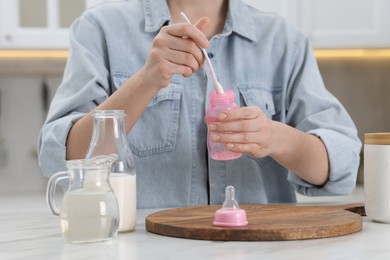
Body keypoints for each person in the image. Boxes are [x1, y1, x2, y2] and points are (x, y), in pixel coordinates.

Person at [38, 0, 362, 209]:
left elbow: (339, 168)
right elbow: (64, 162)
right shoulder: (100, 30)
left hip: (259, 248)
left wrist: (275, 137)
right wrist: (146, 80)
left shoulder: (284, 41)